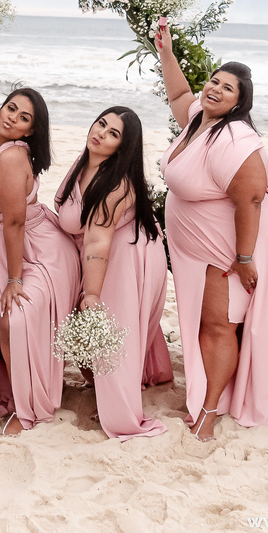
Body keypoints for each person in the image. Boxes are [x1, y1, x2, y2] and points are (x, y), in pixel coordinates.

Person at [153, 19, 268, 442]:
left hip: (225, 247)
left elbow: (250, 199)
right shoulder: (199, 118)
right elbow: (180, 94)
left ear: (238, 103)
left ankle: (211, 412)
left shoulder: (234, 137)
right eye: (213, 81)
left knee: (217, 326)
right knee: (204, 324)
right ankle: (211, 394)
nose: (214, 89)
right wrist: (166, 52)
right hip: (197, 245)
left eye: (226, 88)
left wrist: (244, 258)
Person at [0, 22, 80, 436]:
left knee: (12, 319)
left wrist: (13, 278)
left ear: (31, 129)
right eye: (11, 109)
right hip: (10, 245)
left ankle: (26, 406)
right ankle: (11, 389)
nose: (11, 117)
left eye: (23, 117)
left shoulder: (12, 156)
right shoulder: (2, 137)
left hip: (34, 250)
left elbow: (12, 221)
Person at [54, 106, 171, 440]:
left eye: (113, 134)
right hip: (104, 251)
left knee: (110, 327)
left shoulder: (116, 183)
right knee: (96, 329)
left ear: (123, 147)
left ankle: (120, 412)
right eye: (101, 124)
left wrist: (90, 293)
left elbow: (97, 239)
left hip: (126, 255)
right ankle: (103, 387)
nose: (101, 133)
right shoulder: (83, 163)